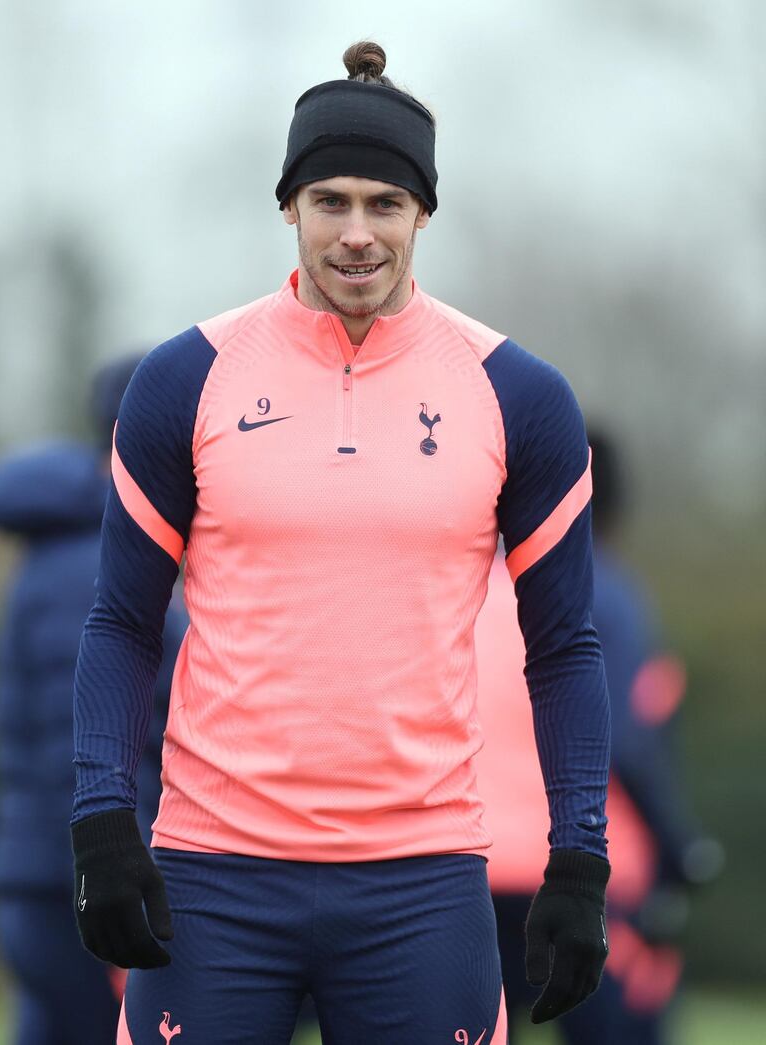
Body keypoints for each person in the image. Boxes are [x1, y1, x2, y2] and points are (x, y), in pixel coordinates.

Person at [71, 42, 611, 1045]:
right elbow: (120, 623)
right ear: (287, 207)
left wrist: (578, 856)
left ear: (422, 215)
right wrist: (102, 819)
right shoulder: (185, 378)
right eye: (329, 202)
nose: (355, 234)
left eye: (383, 204)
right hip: (213, 873)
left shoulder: (517, 396)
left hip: (422, 880)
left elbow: (564, 648)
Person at [475, 428, 721, 1044]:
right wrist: (682, 847)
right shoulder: (607, 593)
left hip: (469, 866)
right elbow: (630, 740)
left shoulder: (475, 593)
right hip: (584, 872)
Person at [0, 357, 187, 1045]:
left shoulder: (68, 547)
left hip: (36, 873)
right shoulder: (104, 565)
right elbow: (108, 735)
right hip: (80, 878)